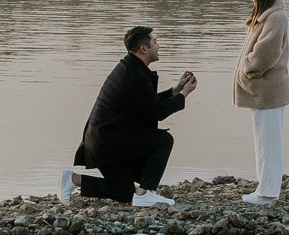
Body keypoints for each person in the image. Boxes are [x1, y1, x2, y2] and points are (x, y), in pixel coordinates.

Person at [63, 25, 196, 206]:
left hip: (105, 141)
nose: (158, 46)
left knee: (125, 193)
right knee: (163, 140)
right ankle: (144, 194)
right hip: (109, 144)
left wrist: (176, 89)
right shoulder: (134, 74)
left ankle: (73, 180)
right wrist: (184, 94)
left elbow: (149, 104)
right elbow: (158, 112)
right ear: (144, 49)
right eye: (155, 42)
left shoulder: (131, 68)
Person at [231, 0, 289, 204]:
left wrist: (246, 68)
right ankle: (265, 189)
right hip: (263, 90)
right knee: (265, 141)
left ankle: (267, 193)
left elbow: (266, 54)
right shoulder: (267, 16)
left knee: (268, 143)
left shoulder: (276, 18)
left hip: (268, 90)